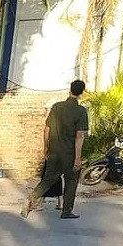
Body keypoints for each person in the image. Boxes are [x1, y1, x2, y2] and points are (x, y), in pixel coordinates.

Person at [23, 79, 89, 219]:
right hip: (69, 153)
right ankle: (66, 211)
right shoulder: (80, 111)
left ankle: (31, 198)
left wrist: (45, 148)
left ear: (70, 90)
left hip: (53, 151)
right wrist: (78, 158)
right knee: (71, 181)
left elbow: (47, 129)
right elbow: (80, 136)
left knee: (48, 179)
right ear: (81, 93)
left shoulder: (56, 107)